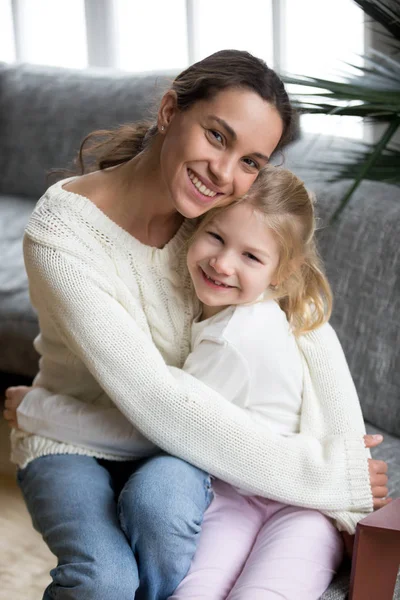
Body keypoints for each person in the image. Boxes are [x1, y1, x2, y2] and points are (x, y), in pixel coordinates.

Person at [4, 49, 388, 600]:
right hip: (74, 435)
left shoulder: (216, 224)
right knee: (106, 581)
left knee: (163, 514)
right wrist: (326, 475)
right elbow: (154, 399)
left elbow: (307, 323)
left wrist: (348, 450)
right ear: (168, 112)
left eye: (252, 161)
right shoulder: (60, 236)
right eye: (216, 136)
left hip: (178, 449)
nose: (226, 175)